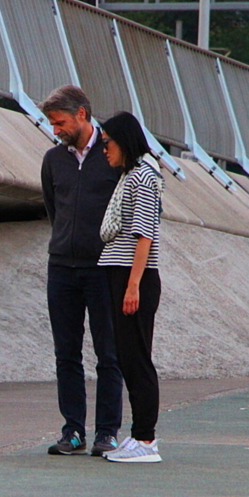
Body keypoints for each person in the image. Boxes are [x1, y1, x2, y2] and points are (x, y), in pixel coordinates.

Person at [39, 86, 123, 457]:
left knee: (109, 353)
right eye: (52, 123)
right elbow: (53, 210)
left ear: (82, 115)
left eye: (60, 122)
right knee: (66, 354)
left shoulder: (114, 154)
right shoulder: (53, 160)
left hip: (104, 268)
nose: (55, 129)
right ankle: (73, 431)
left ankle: (107, 432)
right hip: (61, 268)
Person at [96, 111, 164, 463]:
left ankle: (146, 440)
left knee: (136, 358)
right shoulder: (131, 177)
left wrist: (133, 285)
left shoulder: (143, 178)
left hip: (132, 275)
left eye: (108, 143)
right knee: (126, 356)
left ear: (125, 141)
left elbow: (144, 235)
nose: (104, 149)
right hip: (121, 273)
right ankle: (138, 436)